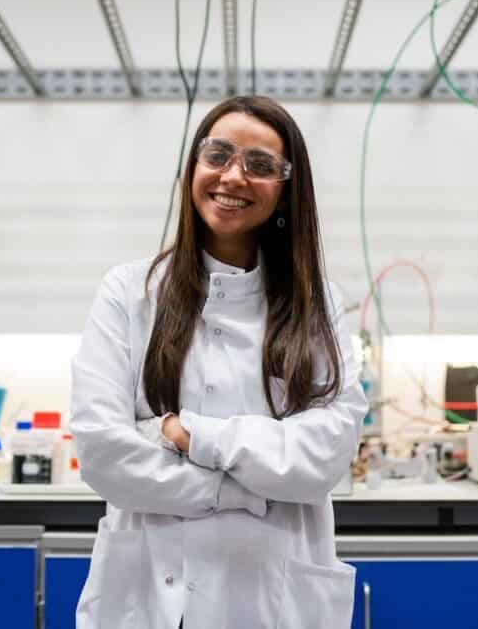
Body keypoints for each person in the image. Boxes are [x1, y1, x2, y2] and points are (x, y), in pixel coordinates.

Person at [70, 95, 368, 628]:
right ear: (193, 168)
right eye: (218, 156)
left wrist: (189, 436)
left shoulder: (318, 305)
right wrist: (243, 490)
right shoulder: (130, 293)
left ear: (285, 190)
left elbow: (323, 458)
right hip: (148, 596)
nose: (233, 177)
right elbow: (102, 450)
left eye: (260, 166)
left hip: (271, 600)